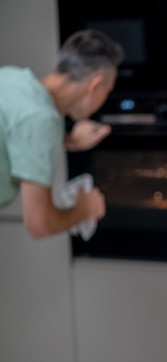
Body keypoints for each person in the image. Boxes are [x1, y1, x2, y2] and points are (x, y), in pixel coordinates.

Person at [0, 29, 124, 238]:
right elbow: (39, 224)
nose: (104, 99)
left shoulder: (12, 77)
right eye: (107, 91)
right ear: (95, 85)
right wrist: (86, 209)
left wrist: (68, 141)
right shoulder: (42, 120)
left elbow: (15, 133)